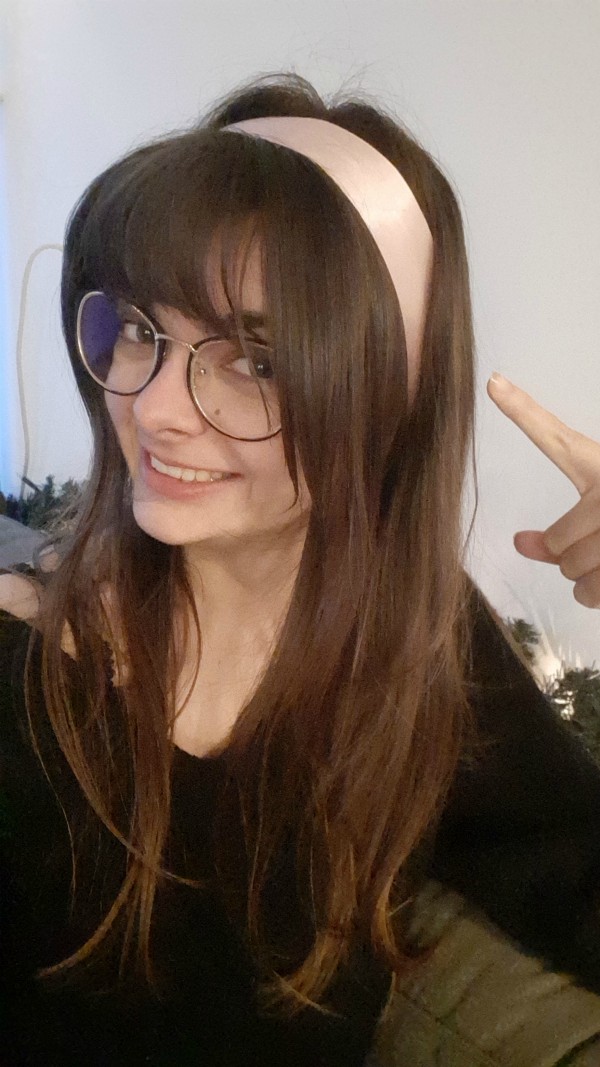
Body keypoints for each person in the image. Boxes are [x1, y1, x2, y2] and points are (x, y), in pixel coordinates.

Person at [1, 71, 600, 1066]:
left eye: (259, 359)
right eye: (142, 328)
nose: (154, 408)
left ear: (388, 401)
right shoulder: (26, 681)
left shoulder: (416, 652)